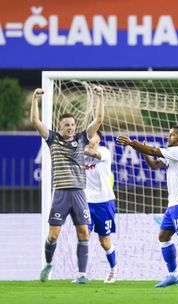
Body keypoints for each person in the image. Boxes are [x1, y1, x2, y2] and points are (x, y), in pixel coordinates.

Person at [117, 125, 178, 288]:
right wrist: (143, 151)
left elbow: (154, 151)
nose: (168, 137)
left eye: (172, 134)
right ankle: (173, 275)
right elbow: (154, 164)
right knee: (164, 237)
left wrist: (132, 143)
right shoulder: (171, 154)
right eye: (169, 133)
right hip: (173, 204)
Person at [33, 86, 104, 284]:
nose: (70, 128)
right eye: (67, 125)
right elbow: (35, 121)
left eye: (72, 125)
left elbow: (98, 120)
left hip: (79, 194)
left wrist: (100, 97)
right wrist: (34, 100)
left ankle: (81, 275)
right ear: (60, 125)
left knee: (83, 232)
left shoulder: (82, 138)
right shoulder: (52, 139)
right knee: (53, 235)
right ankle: (48, 264)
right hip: (61, 194)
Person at [84, 130, 118, 283]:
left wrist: (77, 147)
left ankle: (113, 268)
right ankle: (81, 274)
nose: (92, 141)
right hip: (86, 202)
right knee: (84, 235)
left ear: (99, 140)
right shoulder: (80, 155)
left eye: (95, 139)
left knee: (104, 240)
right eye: (89, 138)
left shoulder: (104, 152)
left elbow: (94, 154)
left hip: (104, 203)